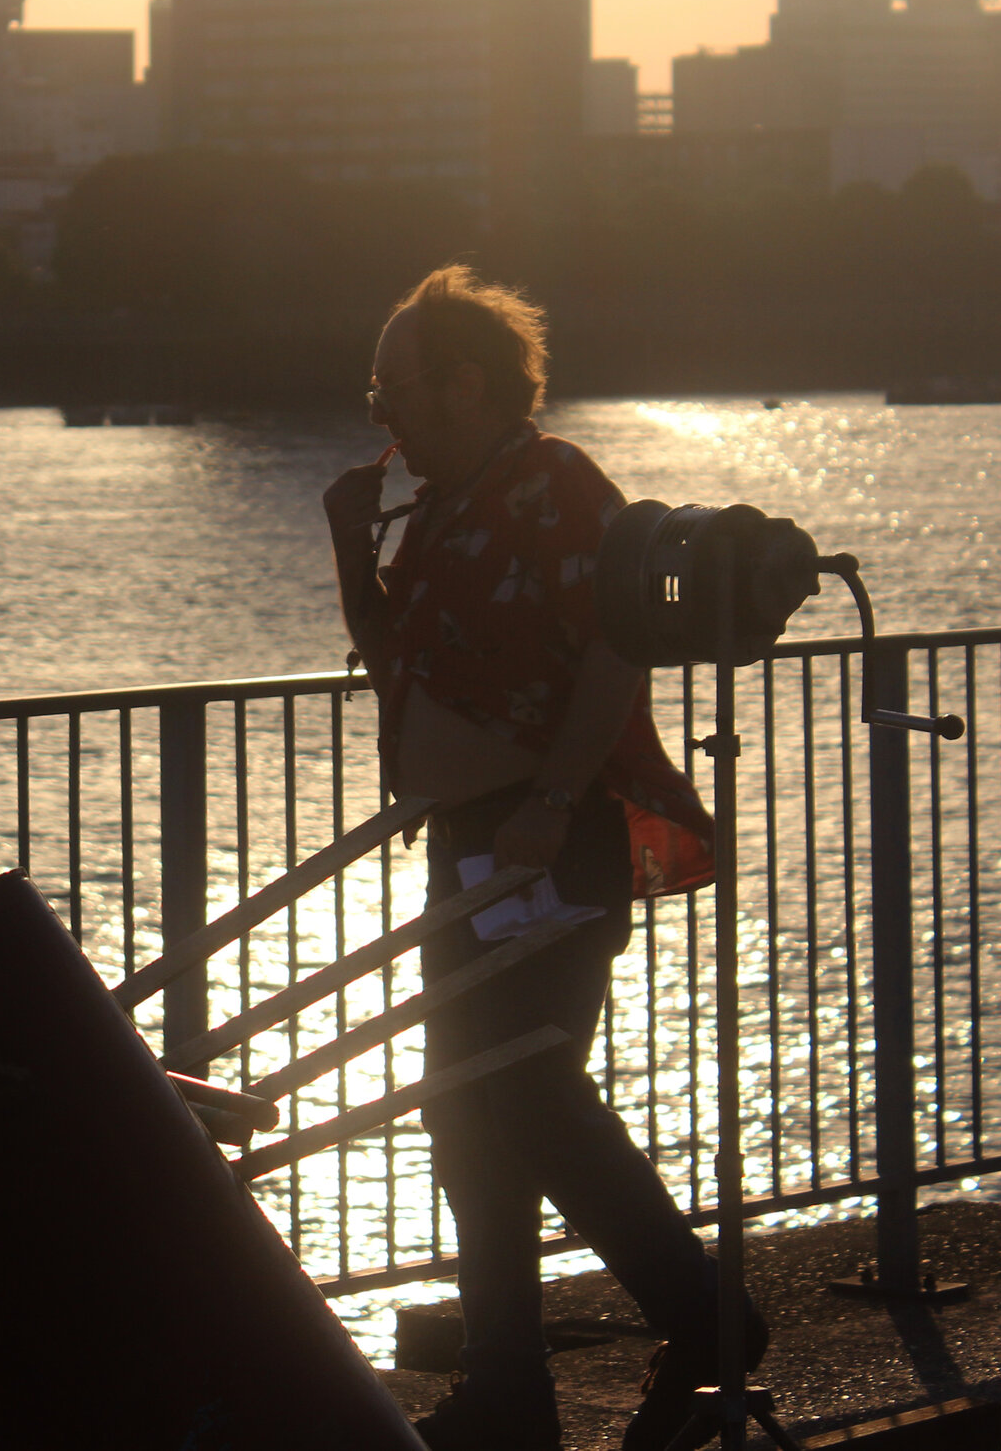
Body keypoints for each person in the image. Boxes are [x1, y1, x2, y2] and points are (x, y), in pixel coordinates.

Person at [322, 267, 766, 1451]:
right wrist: (350, 552)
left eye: (394, 388)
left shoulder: (556, 486)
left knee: (523, 1084)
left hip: (550, 838)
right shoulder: (451, 506)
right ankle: (508, 1378)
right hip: (475, 845)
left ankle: (704, 1315)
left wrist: (552, 798)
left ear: (465, 384)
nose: (383, 415)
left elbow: (615, 651)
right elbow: (393, 663)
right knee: (469, 1112)